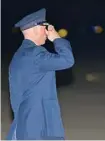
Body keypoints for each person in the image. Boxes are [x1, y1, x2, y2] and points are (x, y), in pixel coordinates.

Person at [6, 8, 74, 140]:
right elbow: (68, 60)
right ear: (36, 29)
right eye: (45, 27)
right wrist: (56, 39)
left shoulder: (19, 55)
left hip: (23, 122)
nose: (47, 32)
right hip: (38, 126)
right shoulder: (36, 54)